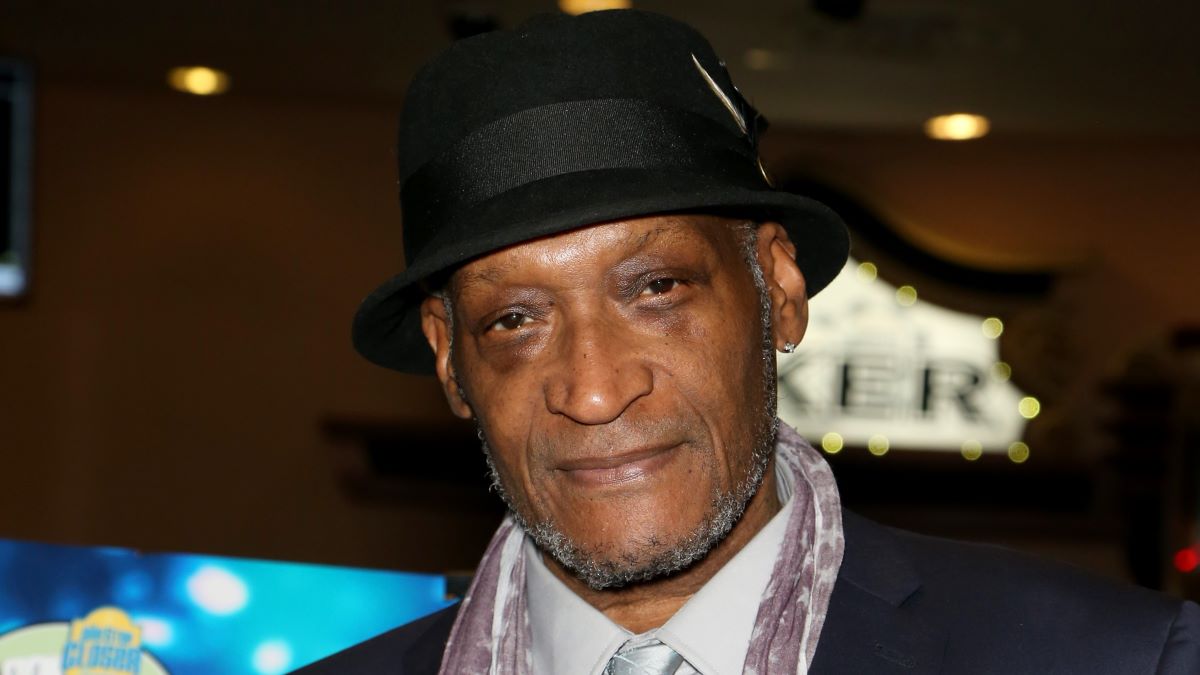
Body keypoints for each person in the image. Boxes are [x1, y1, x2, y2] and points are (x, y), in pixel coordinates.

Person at [294, 9, 1200, 675]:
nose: (595, 389)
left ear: (780, 289)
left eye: (656, 288)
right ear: (450, 358)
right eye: (515, 320)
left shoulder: (1118, 658)